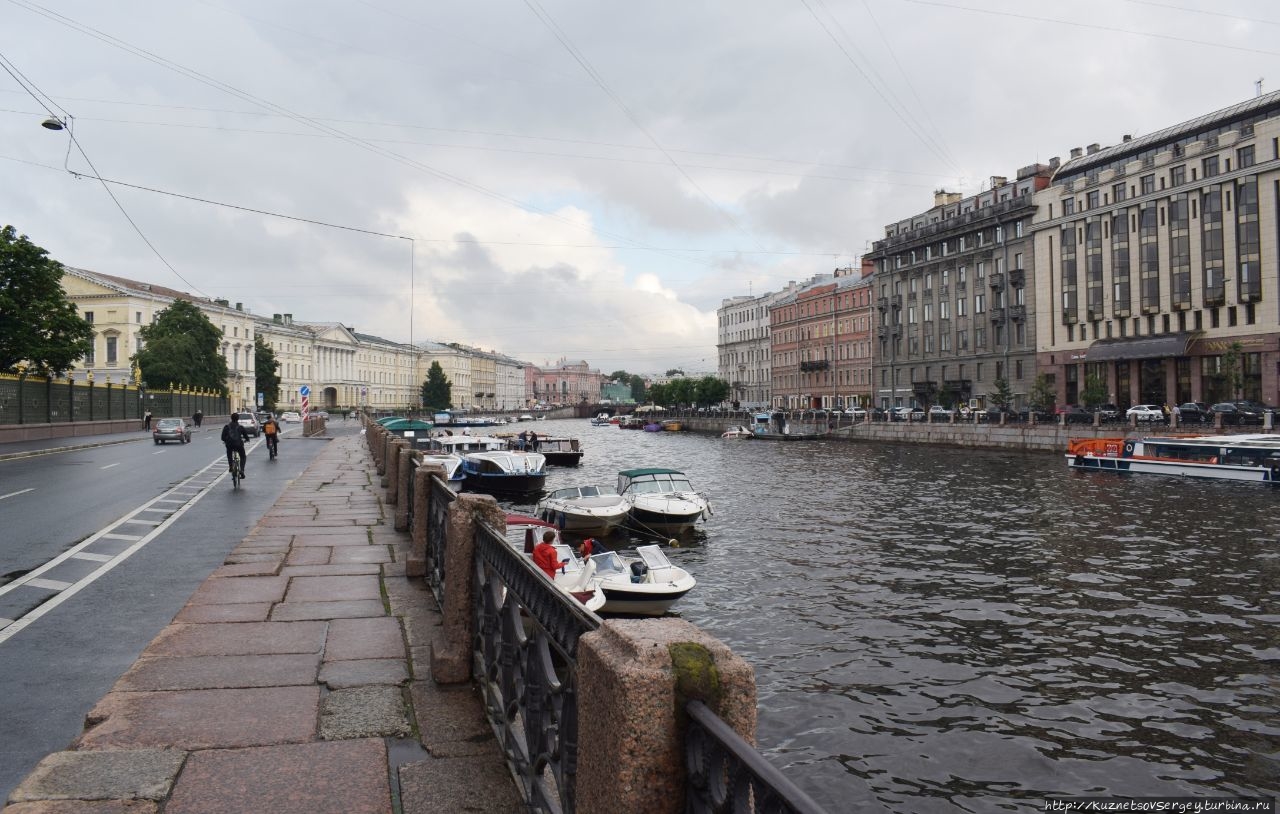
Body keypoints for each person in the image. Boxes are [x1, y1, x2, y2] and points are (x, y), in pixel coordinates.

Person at [221, 412, 249, 478]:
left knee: (229, 454)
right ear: (238, 419)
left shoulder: (226, 427)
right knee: (243, 456)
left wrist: (226, 440)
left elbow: (222, 437)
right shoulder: (240, 427)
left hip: (229, 444)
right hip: (239, 444)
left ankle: (231, 467)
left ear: (231, 418)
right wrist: (247, 439)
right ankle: (242, 470)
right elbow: (246, 436)